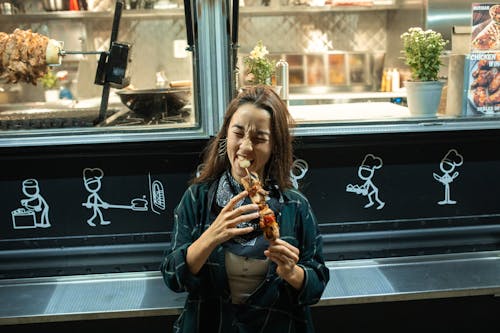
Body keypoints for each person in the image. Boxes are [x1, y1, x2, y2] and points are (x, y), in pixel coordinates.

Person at [160, 85, 329, 332]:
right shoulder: (198, 199)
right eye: (238, 132)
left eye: (259, 139)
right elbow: (173, 278)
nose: (246, 147)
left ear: (274, 147)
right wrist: (210, 237)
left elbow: (317, 284)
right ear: (226, 135)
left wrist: (292, 273)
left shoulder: (295, 205)